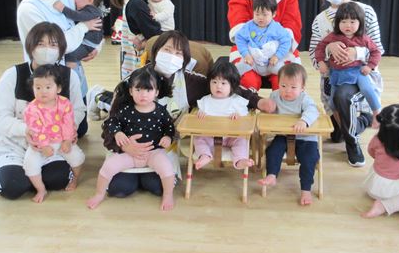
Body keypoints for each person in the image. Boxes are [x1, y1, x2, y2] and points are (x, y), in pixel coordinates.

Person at [99, 31, 276, 199]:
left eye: (178, 53)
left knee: (158, 187)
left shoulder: (190, 81)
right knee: (119, 190)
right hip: (126, 149)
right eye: (167, 50)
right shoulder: (131, 82)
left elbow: (225, 86)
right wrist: (124, 146)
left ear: (184, 59)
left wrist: (258, 101)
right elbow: (109, 125)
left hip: (162, 150)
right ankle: (99, 96)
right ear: (156, 51)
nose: (172, 56)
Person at [0, 22, 86, 200]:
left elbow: (78, 109)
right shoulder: (13, 74)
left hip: (52, 143)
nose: (47, 49)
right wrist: (26, 131)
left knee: (58, 179)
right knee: (13, 187)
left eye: (53, 44)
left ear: (61, 50)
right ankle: (14, 173)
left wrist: (70, 130)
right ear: (30, 47)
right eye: (41, 44)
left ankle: (34, 178)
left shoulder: (68, 76)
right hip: (15, 143)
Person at [308, 0, 384, 167]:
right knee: (336, 135)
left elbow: (378, 48)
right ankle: (360, 122)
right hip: (335, 76)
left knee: (343, 97)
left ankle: (353, 144)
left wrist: (356, 53)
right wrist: (328, 50)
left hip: (360, 74)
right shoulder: (320, 20)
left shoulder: (365, 11)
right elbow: (314, 54)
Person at [17, 0, 102, 103]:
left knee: (80, 112)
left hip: (74, 71)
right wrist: (83, 27)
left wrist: (95, 46)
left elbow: (93, 20)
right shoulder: (29, 8)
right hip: (46, 80)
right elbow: (56, 45)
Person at [87, 67, 176, 211]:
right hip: (127, 153)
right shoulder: (125, 110)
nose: (143, 94)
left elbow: (169, 127)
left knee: (167, 169)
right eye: (138, 90)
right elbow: (111, 122)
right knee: (108, 167)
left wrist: (167, 136)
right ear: (130, 91)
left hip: (153, 152)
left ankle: (168, 195)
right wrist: (117, 133)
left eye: (148, 90)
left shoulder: (161, 111)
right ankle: (99, 194)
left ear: (156, 92)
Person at [258, 63, 320, 206]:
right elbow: (269, 113)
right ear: (278, 83)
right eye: (283, 86)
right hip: (283, 135)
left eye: (293, 87)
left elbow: (313, 110)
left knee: (309, 159)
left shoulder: (304, 99)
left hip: (305, 138)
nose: (287, 90)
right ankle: (272, 175)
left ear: (302, 88)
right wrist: (268, 110)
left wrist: (304, 121)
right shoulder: (275, 95)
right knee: (272, 151)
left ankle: (306, 189)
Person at [23, 64, 85, 203]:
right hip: (41, 145)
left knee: (77, 157)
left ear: (58, 88)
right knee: (29, 164)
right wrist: (44, 145)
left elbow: (68, 123)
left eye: (48, 87)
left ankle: (75, 179)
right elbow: (36, 129)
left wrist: (67, 140)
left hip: (62, 140)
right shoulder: (31, 109)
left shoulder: (64, 103)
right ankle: (41, 189)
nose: (43, 91)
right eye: (38, 88)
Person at [315, 2, 382, 119]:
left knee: (367, 89)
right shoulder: (332, 36)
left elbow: (376, 52)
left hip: (358, 72)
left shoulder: (363, 38)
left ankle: (377, 114)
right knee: (332, 101)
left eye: (352, 22)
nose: (348, 25)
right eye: (343, 21)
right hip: (337, 73)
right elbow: (319, 48)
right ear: (338, 23)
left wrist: (369, 66)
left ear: (360, 23)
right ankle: (340, 123)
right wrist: (321, 62)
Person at [360, 105, 399, 218]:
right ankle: (384, 205)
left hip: (371, 186)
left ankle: (381, 202)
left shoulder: (376, 140)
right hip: (394, 191)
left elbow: (371, 153)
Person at [194, 61, 254, 170]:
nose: (218, 86)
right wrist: (200, 114)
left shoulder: (237, 101)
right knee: (198, 139)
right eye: (214, 82)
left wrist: (238, 117)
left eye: (223, 83)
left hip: (232, 136)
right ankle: (205, 155)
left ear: (232, 85)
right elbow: (197, 120)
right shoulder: (205, 101)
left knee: (241, 141)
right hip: (210, 136)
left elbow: (246, 120)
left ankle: (240, 160)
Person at [109, 0, 162, 79]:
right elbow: (154, 33)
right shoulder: (135, 4)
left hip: (130, 66)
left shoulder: (128, 2)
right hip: (140, 67)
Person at [234, 0, 292, 90]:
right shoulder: (248, 26)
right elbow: (239, 38)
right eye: (257, 14)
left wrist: (277, 56)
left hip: (272, 62)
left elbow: (286, 41)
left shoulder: (277, 28)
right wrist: (246, 54)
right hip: (253, 62)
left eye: (265, 14)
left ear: (274, 14)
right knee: (245, 77)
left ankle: (279, 97)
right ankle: (250, 96)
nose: (260, 18)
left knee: (282, 77)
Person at [52, 0, 104, 68]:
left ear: (90, 0)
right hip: (87, 43)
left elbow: (76, 16)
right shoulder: (91, 10)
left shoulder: (91, 11)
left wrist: (63, 8)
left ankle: (69, 73)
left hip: (88, 45)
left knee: (71, 55)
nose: (74, 0)